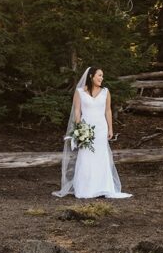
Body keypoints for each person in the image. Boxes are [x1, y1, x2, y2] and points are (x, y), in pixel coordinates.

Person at [53, 67, 131, 199]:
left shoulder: (106, 92)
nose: (101, 78)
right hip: (86, 128)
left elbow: (108, 111)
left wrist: (110, 128)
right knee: (86, 157)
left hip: (101, 129)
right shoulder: (79, 92)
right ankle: (86, 188)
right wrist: (79, 128)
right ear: (91, 76)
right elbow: (77, 111)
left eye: (102, 76)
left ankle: (103, 187)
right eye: (99, 75)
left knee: (101, 156)